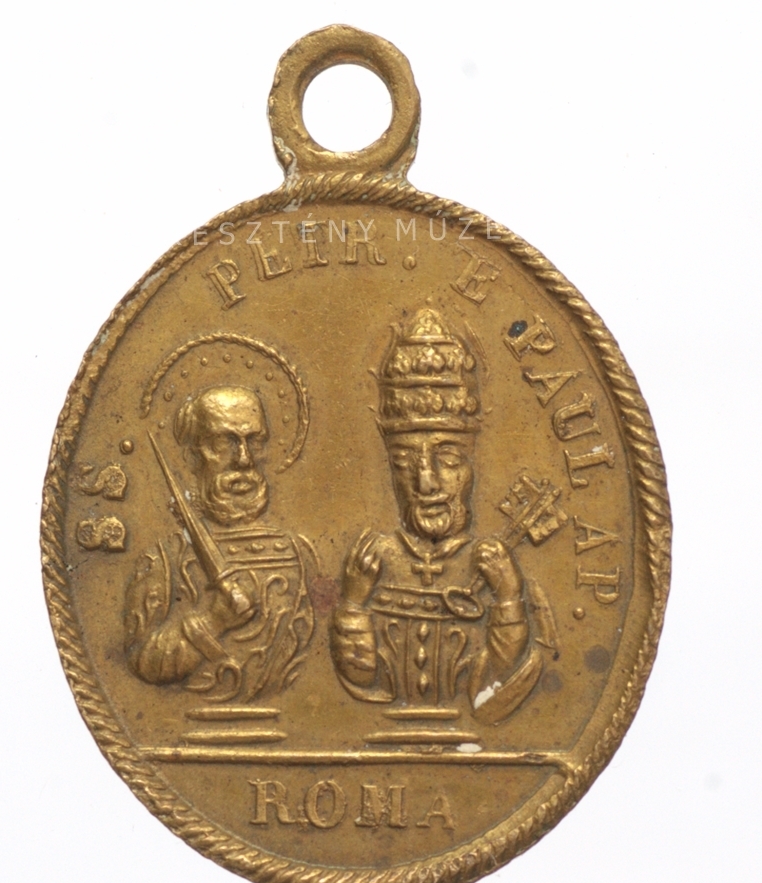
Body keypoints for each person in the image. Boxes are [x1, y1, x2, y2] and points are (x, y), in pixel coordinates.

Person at [330, 308, 543, 723]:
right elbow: (360, 676)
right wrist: (353, 604)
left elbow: (499, 682)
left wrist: (508, 598)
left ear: (471, 466)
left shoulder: (491, 564)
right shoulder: (373, 560)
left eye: (447, 460)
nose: (426, 482)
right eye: (404, 462)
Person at [125, 386, 313, 702]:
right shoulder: (164, 560)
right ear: (192, 456)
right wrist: (213, 621)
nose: (244, 460)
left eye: (254, 441)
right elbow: (141, 662)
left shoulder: (298, 554)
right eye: (224, 443)